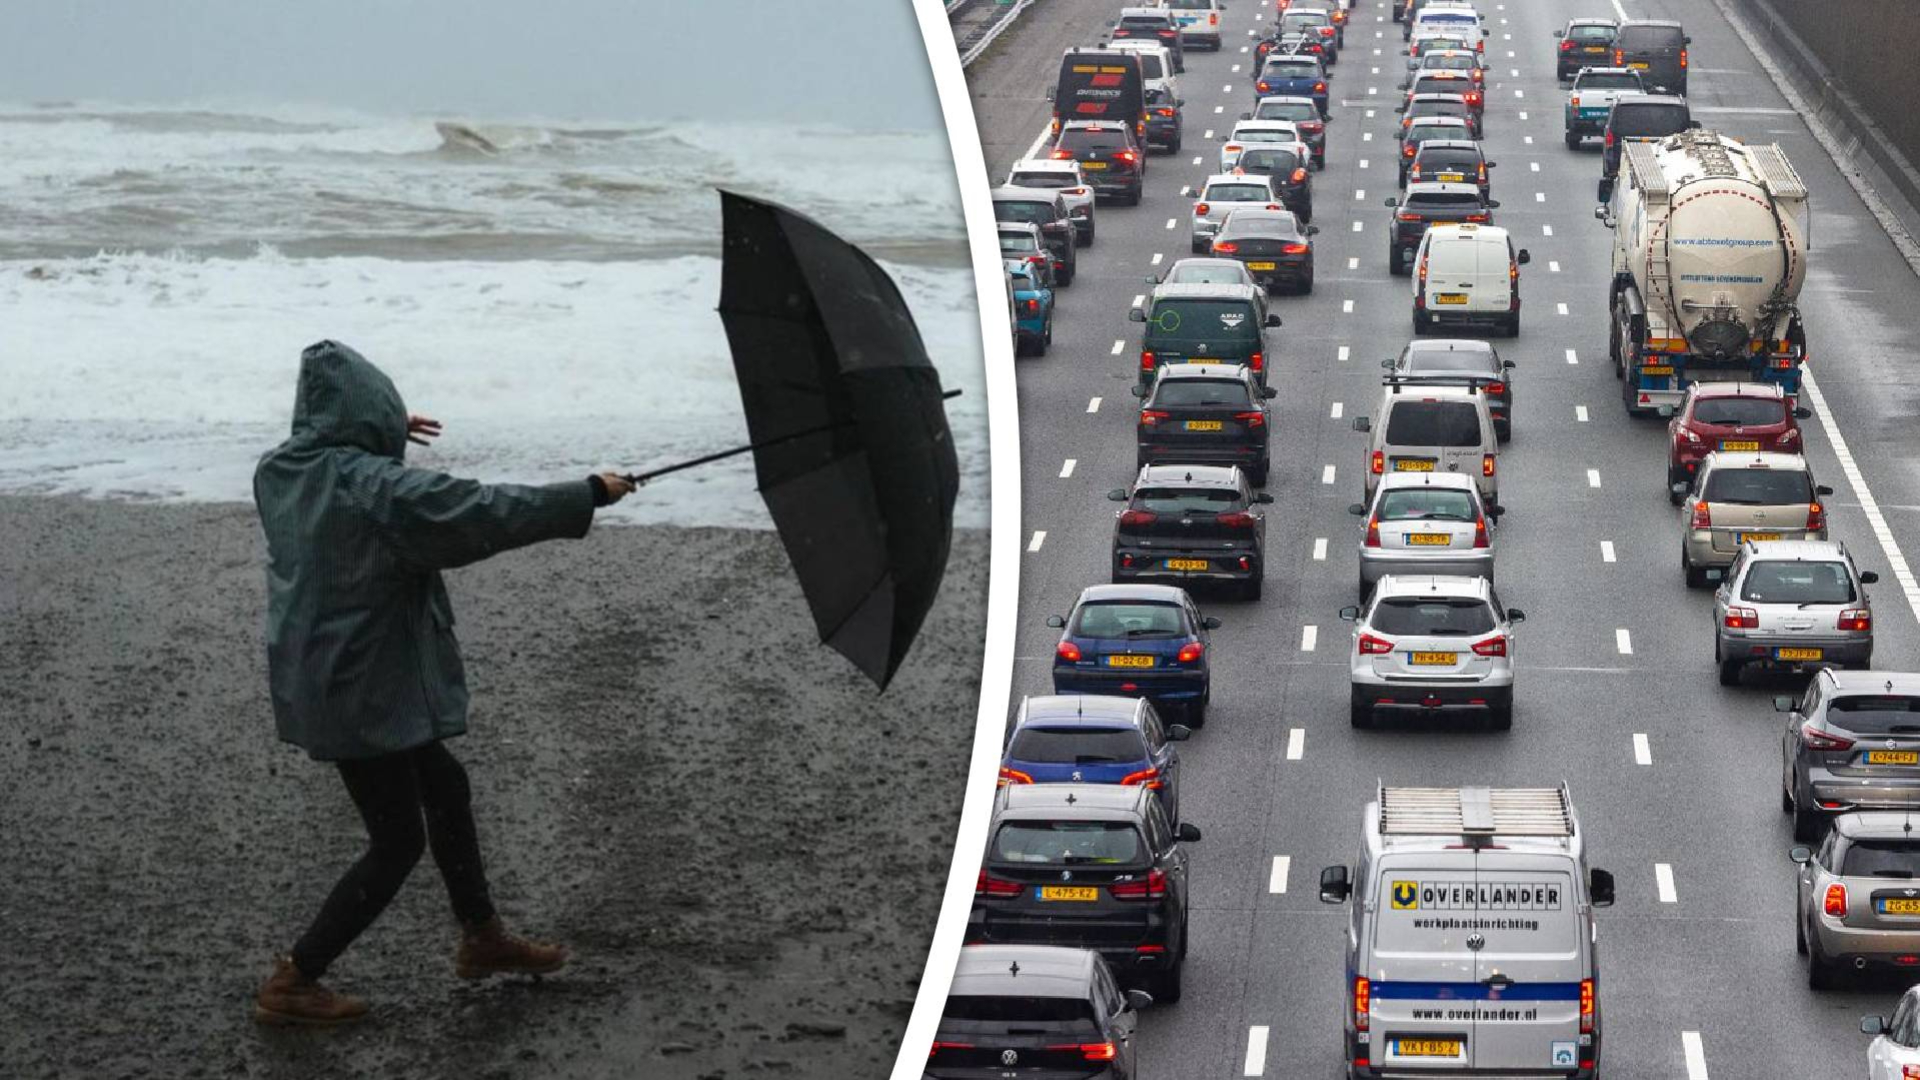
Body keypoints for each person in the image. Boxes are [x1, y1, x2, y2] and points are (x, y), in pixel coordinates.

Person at [249, 340, 636, 1026]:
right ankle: (296, 978)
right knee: (397, 840)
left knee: (445, 785)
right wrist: (587, 495)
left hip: (329, 671)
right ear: (365, 418)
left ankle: (482, 938)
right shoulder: (376, 489)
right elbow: (482, 511)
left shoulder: (282, 471)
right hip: (361, 687)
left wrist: (380, 432)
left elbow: (340, 463)